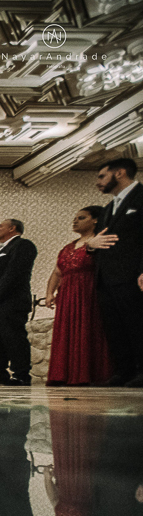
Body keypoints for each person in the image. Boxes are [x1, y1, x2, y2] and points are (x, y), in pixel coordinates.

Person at [85, 158, 143, 387]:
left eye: (102, 176)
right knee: (115, 327)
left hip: (133, 275)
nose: (98, 182)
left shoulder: (140, 197)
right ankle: (124, 371)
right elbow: (98, 241)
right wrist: (91, 245)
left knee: (137, 323)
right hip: (107, 277)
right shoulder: (109, 207)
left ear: (119, 173)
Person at [46, 207, 112, 385]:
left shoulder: (100, 241)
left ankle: (87, 374)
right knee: (65, 331)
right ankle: (62, 374)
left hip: (88, 291)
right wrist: (49, 293)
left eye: (81, 218)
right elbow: (57, 272)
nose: (75, 221)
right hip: (67, 292)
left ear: (95, 220)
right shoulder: (68, 247)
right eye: (74, 218)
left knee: (87, 329)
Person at [0, 219, 38, 385]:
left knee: (14, 338)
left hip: (11, 302)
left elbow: (13, 274)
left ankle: (21, 375)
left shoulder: (23, 245)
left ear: (12, 228)